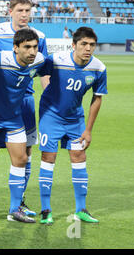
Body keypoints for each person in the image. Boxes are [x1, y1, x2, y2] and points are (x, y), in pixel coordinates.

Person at [0, 0, 48, 217]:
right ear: (10, 11)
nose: (25, 15)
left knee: (25, 153)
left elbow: (43, 70)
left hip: (25, 100)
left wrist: (47, 98)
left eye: (28, 10)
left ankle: (18, 202)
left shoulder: (39, 37)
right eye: (20, 10)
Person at [38, 27, 107, 225]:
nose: (88, 48)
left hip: (76, 120)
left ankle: (81, 209)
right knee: (48, 158)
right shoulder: (57, 59)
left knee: (79, 158)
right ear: (74, 44)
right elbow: (40, 72)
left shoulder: (99, 68)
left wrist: (88, 130)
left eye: (92, 45)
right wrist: (48, 91)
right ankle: (45, 210)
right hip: (51, 117)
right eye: (84, 44)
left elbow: (97, 98)